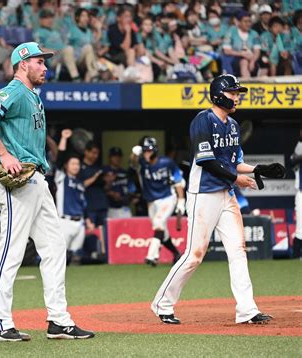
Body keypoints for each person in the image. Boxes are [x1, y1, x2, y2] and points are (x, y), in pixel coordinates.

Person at [0, 41, 94, 341]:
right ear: (23, 63)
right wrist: (3, 153)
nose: (45, 67)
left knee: (54, 248)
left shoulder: (32, 96)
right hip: (19, 181)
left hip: (37, 179)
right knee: (11, 251)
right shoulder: (14, 90)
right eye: (39, 62)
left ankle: (58, 320)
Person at [151, 75, 272, 325]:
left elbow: (235, 163)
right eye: (232, 92)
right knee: (194, 255)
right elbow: (207, 161)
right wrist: (237, 179)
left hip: (226, 195)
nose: (237, 96)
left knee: (238, 251)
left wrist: (258, 169)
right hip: (203, 194)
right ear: (218, 94)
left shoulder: (234, 125)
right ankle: (162, 304)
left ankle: (247, 310)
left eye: (237, 92)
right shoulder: (203, 120)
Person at [131, 137, 184, 267]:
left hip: (167, 197)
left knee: (159, 223)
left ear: (155, 150)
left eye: (149, 150)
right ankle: (177, 253)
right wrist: (134, 153)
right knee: (162, 231)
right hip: (151, 201)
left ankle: (152, 255)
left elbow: (177, 181)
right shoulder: (142, 163)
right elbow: (132, 162)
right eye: (144, 151)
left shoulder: (167, 162)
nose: (146, 153)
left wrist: (181, 200)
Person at [55, 129, 93, 264]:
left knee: (76, 256)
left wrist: (88, 219)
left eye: (77, 164)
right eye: (73, 163)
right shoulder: (61, 177)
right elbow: (59, 158)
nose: (76, 166)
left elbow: (83, 203)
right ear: (66, 165)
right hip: (65, 221)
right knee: (61, 255)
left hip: (79, 222)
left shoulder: (79, 183)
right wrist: (64, 139)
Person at [79, 141, 112, 227]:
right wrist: (95, 177)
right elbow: (81, 185)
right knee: (91, 235)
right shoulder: (79, 167)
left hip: (102, 205)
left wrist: (109, 181)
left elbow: (105, 187)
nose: (96, 156)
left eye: (97, 153)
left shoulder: (99, 167)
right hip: (89, 207)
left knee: (104, 234)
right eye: (93, 153)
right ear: (86, 152)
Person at [103, 146, 135, 219]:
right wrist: (111, 193)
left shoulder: (124, 172)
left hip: (124, 207)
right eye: (114, 156)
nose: (117, 158)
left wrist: (130, 197)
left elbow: (131, 189)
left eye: (119, 156)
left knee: (127, 229)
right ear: (110, 157)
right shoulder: (104, 171)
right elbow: (99, 190)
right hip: (110, 207)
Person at [290, 130, 302, 259]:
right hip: (301, 193)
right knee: (301, 228)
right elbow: (293, 160)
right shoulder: (300, 146)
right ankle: (296, 257)